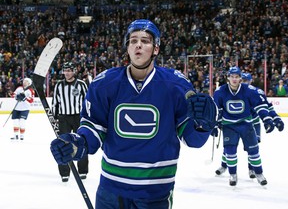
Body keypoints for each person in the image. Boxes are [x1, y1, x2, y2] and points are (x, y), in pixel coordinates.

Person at [50, 19, 218, 208]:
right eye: (133, 40)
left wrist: (203, 125)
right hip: (111, 189)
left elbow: (192, 139)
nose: (138, 44)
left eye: (145, 41)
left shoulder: (176, 86)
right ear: (127, 47)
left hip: (156, 191)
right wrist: (77, 144)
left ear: (156, 49)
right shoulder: (104, 83)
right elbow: (94, 129)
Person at [211, 66, 275, 186]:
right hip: (229, 126)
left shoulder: (249, 90)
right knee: (230, 151)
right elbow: (216, 110)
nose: (234, 79)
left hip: (246, 124)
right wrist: (214, 125)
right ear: (228, 78)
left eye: (237, 77)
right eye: (232, 76)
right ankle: (233, 174)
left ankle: (259, 173)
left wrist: (266, 119)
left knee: (254, 151)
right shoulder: (220, 92)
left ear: (240, 78)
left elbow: (260, 105)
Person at [52, 62, 89, 182]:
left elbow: (87, 101)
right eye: (65, 70)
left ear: (74, 71)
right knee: (63, 144)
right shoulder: (59, 85)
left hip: (78, 117)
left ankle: (82, 170)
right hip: (63, 118)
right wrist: (55, 118)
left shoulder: (81, 84)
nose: (67, 73)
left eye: (69, 70)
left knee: (81, 143)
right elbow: (55, 102)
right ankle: (64, 172)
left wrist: (87, 117)